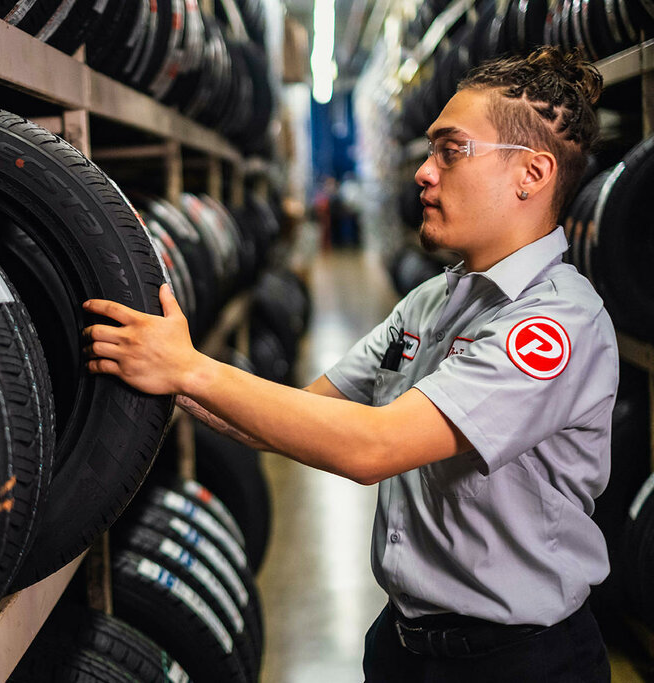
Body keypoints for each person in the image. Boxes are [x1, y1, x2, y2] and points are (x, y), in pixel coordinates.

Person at [82, 46, 617, 682]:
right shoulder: (433, 300)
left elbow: (373, 447)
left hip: (518, 663)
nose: (422, 172)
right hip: (404, 645)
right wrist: (152, 366)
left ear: (531, 174)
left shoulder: (554, 326)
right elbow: (300, 413)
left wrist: (191, 370)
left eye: (450, 150)